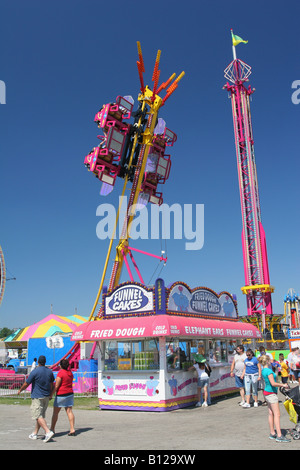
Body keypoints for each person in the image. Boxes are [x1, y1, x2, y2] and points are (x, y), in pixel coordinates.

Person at [18, 355, 55, 442]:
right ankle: (35, 433)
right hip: (46, 396)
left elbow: (27, 383)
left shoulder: (35, 371)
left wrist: (20, 389)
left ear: (38, 362)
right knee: (40, 416)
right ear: (45, 362)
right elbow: (51, 384)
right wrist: (50, 394)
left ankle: (48, 431)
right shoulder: (49, 371)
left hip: (37, 396)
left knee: (37, 415)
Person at [259, 354, 290, 442]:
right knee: (277, 414)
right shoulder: (268, 371)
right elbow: (273, 383)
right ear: (268, 361)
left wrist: (276, 370)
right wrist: (283, 385)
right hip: (271, 393)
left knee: (271, 413)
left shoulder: (264, 370)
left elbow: (274, 377)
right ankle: (279, 435)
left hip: (267, 392)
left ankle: (272, 433)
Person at [50, 359, 75, 436]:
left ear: (60, 365)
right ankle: (72, 428)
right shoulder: (70, 373)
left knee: (55, 413)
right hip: (70, 393)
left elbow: (57, 385)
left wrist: (51, 394)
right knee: (69, 411)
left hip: (61, 394)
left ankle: (52, 429)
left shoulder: (60, 373)